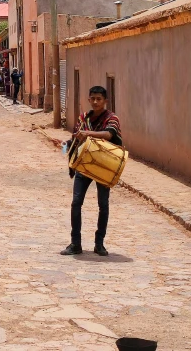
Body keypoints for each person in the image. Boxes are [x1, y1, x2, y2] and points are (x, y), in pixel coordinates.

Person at [61, 86, 122, 258]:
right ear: (89, 99)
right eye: (92, 99)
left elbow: (110, 134)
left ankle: (99, 243)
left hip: (104, 166)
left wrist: (88, 134)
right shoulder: (84, 118)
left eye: (99, 99)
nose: (95, 102)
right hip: (84, 165)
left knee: (103, 205)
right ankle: (75, 243)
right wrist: (67, 148)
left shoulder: (112, 118)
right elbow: (75, 138)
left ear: (105, 101)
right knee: (76, 203)